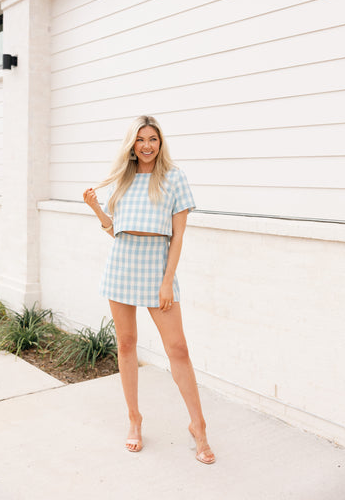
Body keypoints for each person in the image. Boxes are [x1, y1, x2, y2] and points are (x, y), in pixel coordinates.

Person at [83, 115, 215, 465]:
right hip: (122, 267)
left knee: (178, 349)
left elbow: (179, 236)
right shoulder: (121, 182)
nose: (146, 145)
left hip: (158, 267)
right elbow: (116, 231)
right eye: (140, 139)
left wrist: (167, 280)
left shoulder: (174, 178)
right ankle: (134, 419)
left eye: (152, 139)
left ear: (160, 142)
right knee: (126, 345)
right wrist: (96, 208)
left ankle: (198, 426)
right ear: (132, 144)